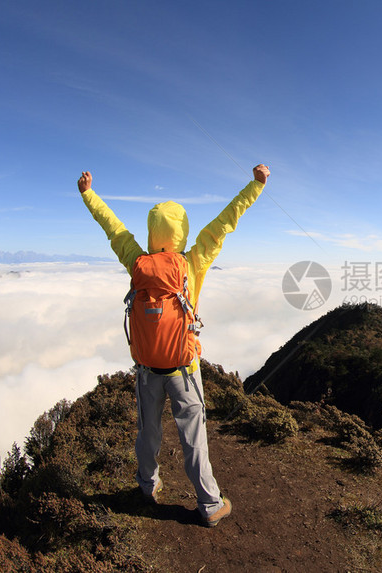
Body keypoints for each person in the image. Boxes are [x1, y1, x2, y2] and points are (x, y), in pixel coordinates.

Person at [77, 164, 270, 527]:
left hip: (147, 368)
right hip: (183, 368)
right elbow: (227, 220)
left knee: (148, 431)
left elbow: (112, 227)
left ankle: (148, 486)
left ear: (152, 233)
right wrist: (255, 186)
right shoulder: (192, 262)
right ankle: (210, 505)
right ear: (182, 231)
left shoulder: (137, 261)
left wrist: (89, 194)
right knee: (193, 437)